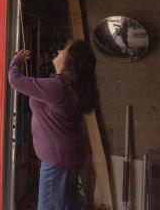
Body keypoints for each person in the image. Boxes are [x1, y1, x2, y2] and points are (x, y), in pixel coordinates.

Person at [8, 40, 99, 210]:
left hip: (58, 163)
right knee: (68, 203)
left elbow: (15, 80)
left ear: (69, 62)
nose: (59, 51)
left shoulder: (56, 88)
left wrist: (16, 61)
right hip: (69, 158)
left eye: (64, 51)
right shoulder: (69, 87)